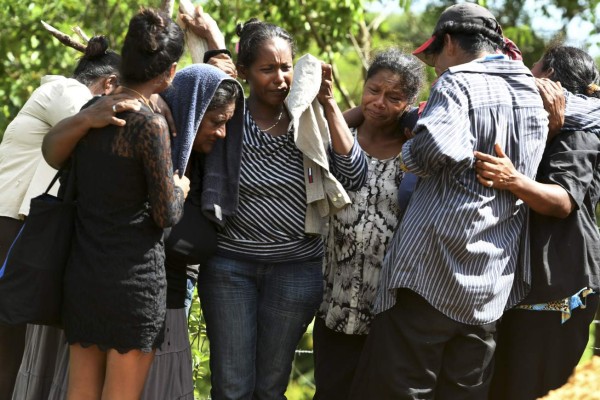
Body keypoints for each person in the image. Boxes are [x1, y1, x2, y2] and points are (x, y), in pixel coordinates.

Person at [348, 3, 549, 399]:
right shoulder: (531, 90)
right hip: (491, 282)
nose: (437, 65)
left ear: (452, 44)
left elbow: (435, 149)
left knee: (398, 389)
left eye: (436, 54)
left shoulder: (457, 82)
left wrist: (408, 154)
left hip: (430, 272)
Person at [195, 18, 367, 399]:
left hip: (296, 270)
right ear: (244, 73)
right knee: (232, 385)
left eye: (286, 67)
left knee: (271, 387)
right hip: (229, 267)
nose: (280, 78)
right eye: (267, 69)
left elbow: (354, 175)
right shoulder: (229, 116)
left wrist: (328, 101)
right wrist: (210, 43)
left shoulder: (307, 115)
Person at [42, 9, 188, 399]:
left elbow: (53, 155)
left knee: (80, 394)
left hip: (84, 275)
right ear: (170, 72)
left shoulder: (94, 112)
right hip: (133, 284)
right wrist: (181, 188)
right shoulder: (149, 125)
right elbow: (166, 214)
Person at [0, 35, 124, 400]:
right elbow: (107, 123)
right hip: (8, 226)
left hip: (25, 231)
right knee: (4, 352)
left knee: (11, 352)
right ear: (110, 85)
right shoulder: (64, 91)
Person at [474, 45, 600, 400]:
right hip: (528, 286)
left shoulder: (579, 132)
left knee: (531, 389)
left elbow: (562, 201)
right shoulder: (543, 127)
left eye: (533, 70)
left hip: (557, 283)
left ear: (550, 82)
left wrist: (510, 179)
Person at [313, 48, 424, 400]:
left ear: (409, 102)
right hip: (334, 302)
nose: (380, 102)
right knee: (329, 391)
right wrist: (354, 111)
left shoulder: (415, 154)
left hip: (388, 309)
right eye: (373, 91)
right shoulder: (337, 139)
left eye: (394, 97)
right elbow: (315, 132)